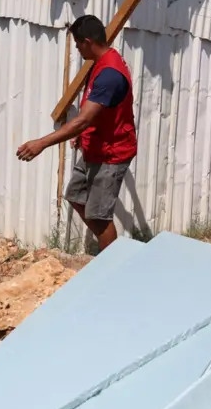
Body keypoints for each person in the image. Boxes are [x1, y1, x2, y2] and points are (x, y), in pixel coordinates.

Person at [17, 15, 136, 251]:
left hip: (111, 154)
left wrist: (41, 143)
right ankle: (109, 247)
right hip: (96, 146)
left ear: (88, 42)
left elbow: (83, 120)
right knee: (76, 195)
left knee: (101, 219)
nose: (78, 49)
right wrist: (86, 133)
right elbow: (97, 112)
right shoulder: (101, 63)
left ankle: (107, 271)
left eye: (78, 44)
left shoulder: (110, 74)